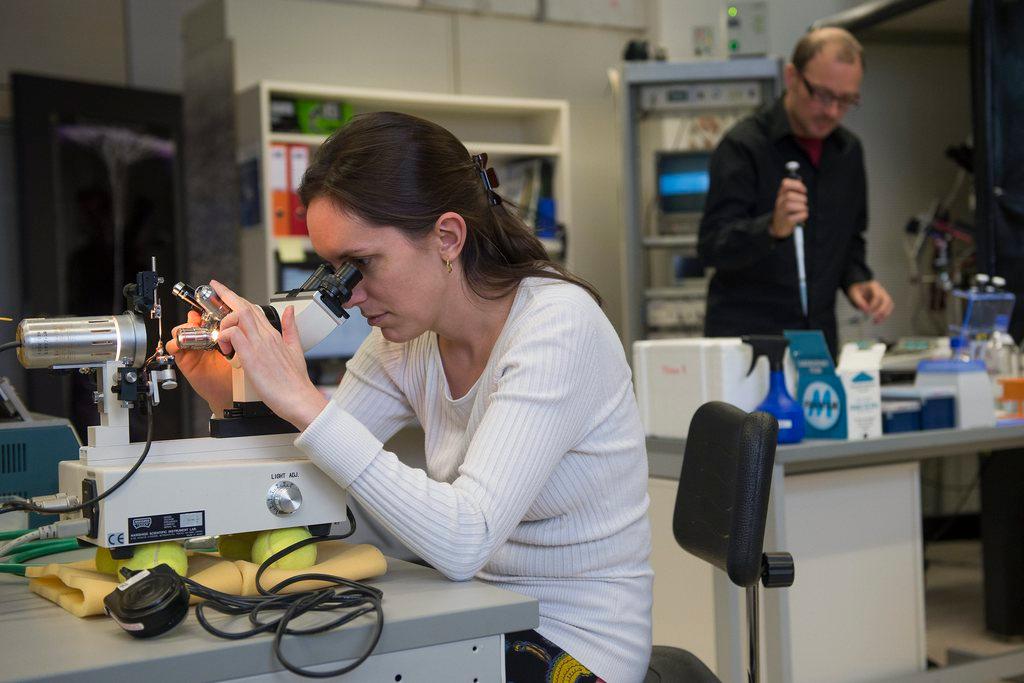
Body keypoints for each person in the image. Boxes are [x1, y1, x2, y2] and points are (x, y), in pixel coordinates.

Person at [167, 111, 653, 682]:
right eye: (334, 271)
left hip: (572, 643)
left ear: (447, 237)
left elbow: (464, 537)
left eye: (362, 265)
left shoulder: (557, 326)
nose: (347, 297)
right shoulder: (407, 339)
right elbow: (309, 487)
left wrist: (302, 398)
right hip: (468, 611)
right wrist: (235, 398)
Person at [698, 27, 894, 358]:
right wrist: (771, 229)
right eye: (822, 95)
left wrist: (857, 280)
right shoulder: (743, 147)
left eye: (846, 100)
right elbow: (712, 246)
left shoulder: (847, 152)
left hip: (816, 342)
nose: (832, 111)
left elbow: (849, 240)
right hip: (750, 345)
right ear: (792, 77)